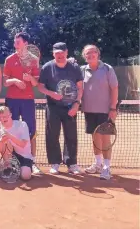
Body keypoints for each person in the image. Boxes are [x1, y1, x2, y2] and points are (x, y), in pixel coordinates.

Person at [38, 42, 83, 175]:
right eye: (57, 53)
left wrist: (76, 104)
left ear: (66, 52)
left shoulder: (74, 67)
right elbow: (41, 86)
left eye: (62, 53)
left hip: (71, 106)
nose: (60, 55)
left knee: (71, 135)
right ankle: (55, 163)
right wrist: (51, 94)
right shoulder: (47, 67)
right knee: (52, 134)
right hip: (53, 107)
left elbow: (80, 87)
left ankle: (71, 163)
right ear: (53, 54)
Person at [3, 32, 41, 174]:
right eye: (15, 41)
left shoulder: (34, 60)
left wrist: (29, 78)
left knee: (31, 131)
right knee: (9, 129)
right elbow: (5, 82)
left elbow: (36, 83)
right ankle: (10, 161)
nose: (16, 44)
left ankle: (31, 161)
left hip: (27, 100)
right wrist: (15, 81)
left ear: (25, 43)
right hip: (12, 100)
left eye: (18, 41)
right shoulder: (9, 59)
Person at [81, 45, 119, 180]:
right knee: (95, 138)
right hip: (89, 110)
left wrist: (113, 108)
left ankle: (106, 167)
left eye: (93, 53)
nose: (90, 55)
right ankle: (98, 164)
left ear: (98, 54)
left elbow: (114, 88)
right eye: (87, 53)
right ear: (84, 56)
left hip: (105, 111)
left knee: (105, 138)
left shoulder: (107, 69)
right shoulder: (82, 70)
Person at [0, 106, 33, 180]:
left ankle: (16, 168)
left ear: (10, 115)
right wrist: (1, 141)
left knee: (26, 176)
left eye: (5, 116)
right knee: (6, 141)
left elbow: (23, 144)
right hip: (10, 156)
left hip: (24, 156)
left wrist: (10, 136)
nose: (2, 119)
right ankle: (8, 165)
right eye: (0, 117)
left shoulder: (22, 125)